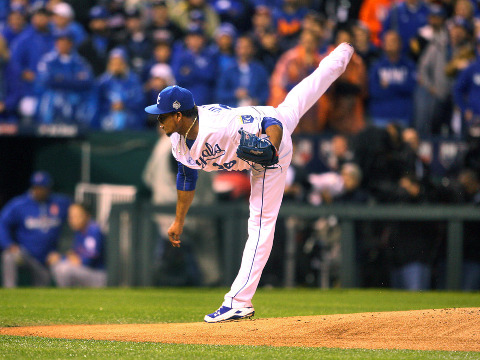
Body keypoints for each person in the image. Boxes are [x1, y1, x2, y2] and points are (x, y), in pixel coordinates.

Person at [144, 42, 354, 322]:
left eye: (163, 115)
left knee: (260, 224)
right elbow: (186, 176)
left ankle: (239, 301)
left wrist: (272, 147)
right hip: (266, 134)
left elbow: (270, 121)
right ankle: (343, 53)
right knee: (306, 91)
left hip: (271, 148)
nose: (158, 120)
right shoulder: (177, 141)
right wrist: (179, 220)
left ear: (179, 115)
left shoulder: (220, 126)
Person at [0, 171, 70, 288]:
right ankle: (9, 291)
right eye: (36, 187)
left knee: (42, 288)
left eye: (42, 188)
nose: (39, 191)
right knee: (9, 256)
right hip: (25, 255)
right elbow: (2, 223)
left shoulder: (60, 203)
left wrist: (63, 251)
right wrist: (8, 244)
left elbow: (73, 224)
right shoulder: (19, 204)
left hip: (48, 258)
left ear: (48, 188)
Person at [48, 203, 106, 287]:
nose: (72, 220)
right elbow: (74, 256)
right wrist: (63, 258)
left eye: (76, 216)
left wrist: (69, 259)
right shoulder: (79, 232)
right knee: (57, 265)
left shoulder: (93, 230)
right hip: (86, 272)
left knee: (63, 269)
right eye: (71, 217)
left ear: (87, 216)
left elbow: (88, 260)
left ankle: (67, 296)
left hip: (98, 275)